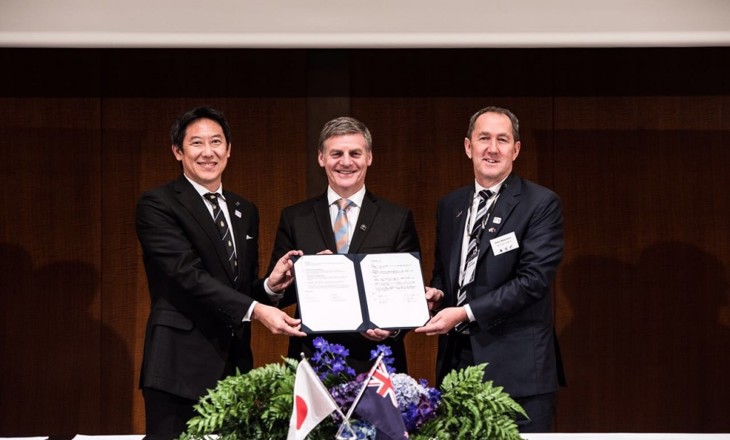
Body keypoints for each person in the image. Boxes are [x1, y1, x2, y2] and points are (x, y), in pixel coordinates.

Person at [135, 106, 305, 439]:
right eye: (196, 143)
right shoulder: (158, 204)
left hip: (235, 367)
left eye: (216, 142)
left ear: (229, 149)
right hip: (177, 368)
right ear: (178, 151)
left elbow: (237, 290)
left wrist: (269, 287)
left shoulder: (245, 210)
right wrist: (257, 310)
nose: (208, 152)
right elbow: (188, 276)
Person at [415, 106, 565, 432]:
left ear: (516, 149)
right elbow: (445, 272)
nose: (492, 149)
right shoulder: (450, 205)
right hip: (457, 365)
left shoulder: (540, 204)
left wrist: (464, 311)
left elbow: (532, 282)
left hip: (519, 374)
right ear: (468, 146)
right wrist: (436, 292)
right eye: (484, 138)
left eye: (502, 139)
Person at [262, 116, 421, 373]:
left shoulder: (397, 218)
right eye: (336, 153)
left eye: (355, 153)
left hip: (377, 365)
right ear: (321, 158)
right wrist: (274, 285)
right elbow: (279, 294)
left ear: (369, 157)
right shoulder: (295, 218)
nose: (346, 162)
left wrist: (392, 329)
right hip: (313, 361)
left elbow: (409, 295)